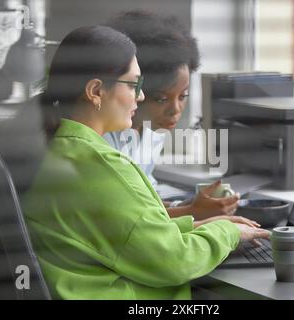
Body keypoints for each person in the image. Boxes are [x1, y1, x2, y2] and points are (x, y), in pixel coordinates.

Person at [22, 25, 270, 299]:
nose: (140, 96)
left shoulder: (63, 149)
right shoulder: (100, 166)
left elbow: (127, 233)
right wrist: (227, 232)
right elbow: (176, 261)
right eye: (135, 85)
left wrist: (201, 225)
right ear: (95, 91)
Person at [104, 11, 240, 220]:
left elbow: (147, 203)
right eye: (161, 98)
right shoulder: (104, 139)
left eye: (183, 96)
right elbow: (124, 218)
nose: (175, 109)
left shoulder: (150, 132)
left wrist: (191, 205)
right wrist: (193, 212)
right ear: (135, 89)